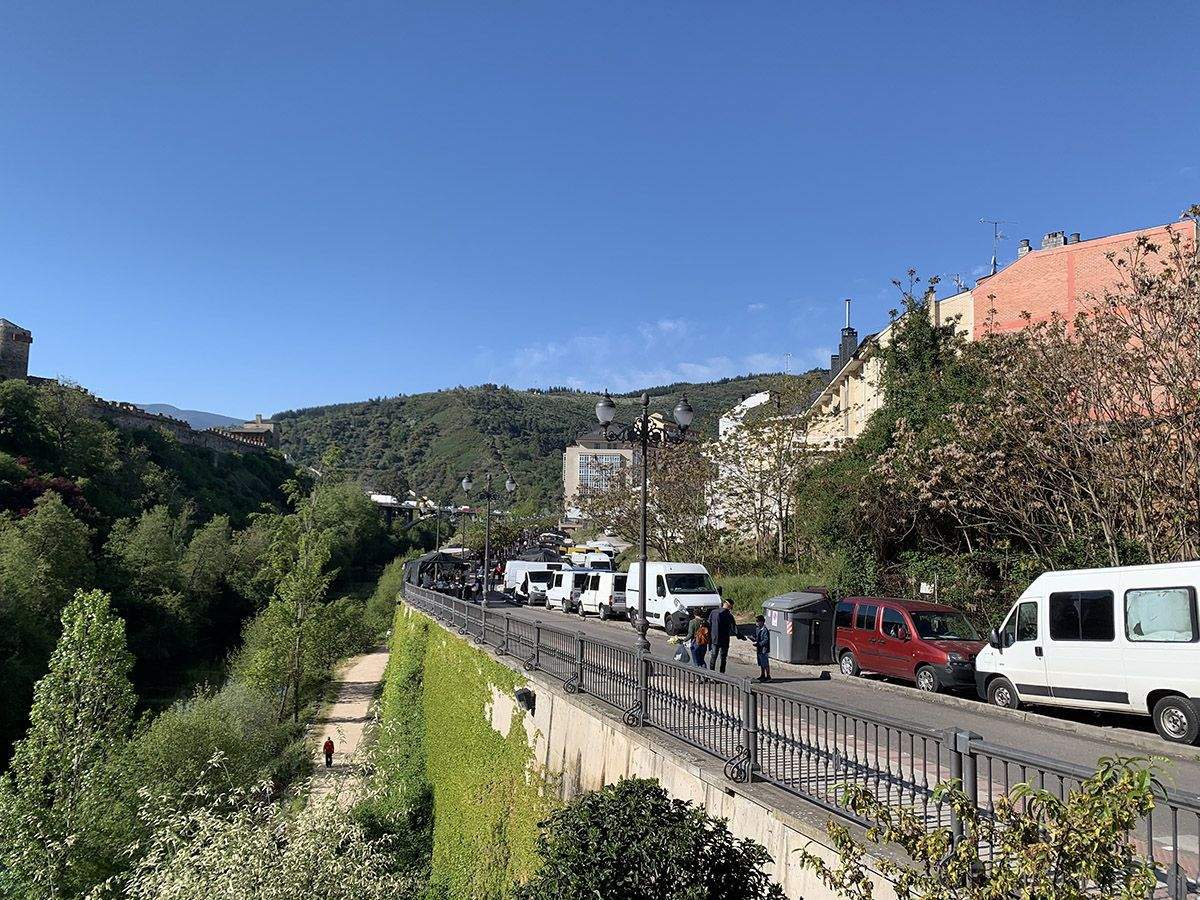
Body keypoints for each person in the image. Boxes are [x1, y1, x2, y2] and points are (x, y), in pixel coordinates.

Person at [706, 599, 740, 674]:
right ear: (730, 605)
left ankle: (711, 674)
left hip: (714, 638)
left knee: (713, 657)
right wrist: (740, 636)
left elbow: (709, 624)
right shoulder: (729, 615)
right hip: (724, 639)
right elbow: (734, 628)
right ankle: (722, 674)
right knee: (723, 658)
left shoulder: (713, 612)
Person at [751, 614, 771, 682]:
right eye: (756, 621)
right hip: (759, 649)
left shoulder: (765, 630)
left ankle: (768, 676)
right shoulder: (757, 629)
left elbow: (766, 640)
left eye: (758, 621)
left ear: (762, 622)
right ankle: (762, 675)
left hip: (764, 649)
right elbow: (757, 638)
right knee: (761, 663)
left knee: (765, 663)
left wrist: (759, 644)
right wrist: (753, 639)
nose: (756, 623)